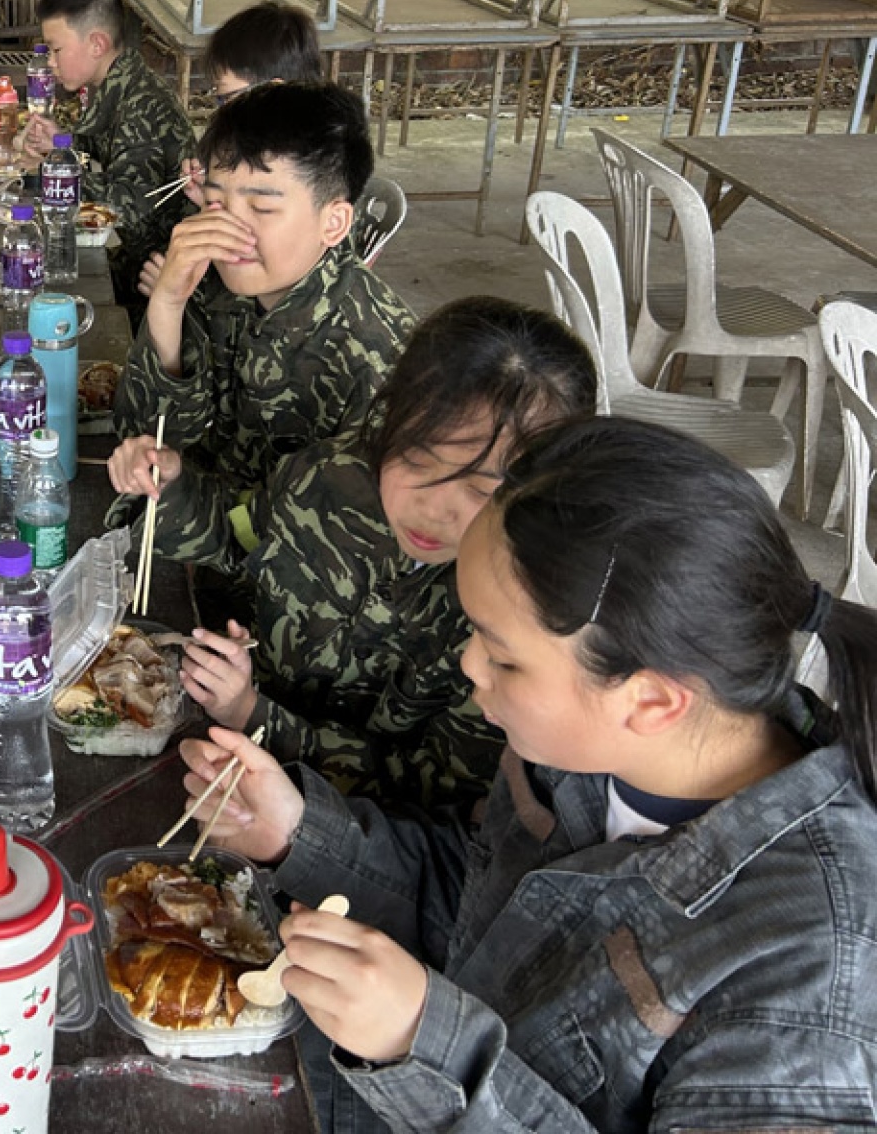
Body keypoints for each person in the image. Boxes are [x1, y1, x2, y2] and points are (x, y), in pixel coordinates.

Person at [182, 416, 877, 1130]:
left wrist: (428, 1045)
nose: (468, 665)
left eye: (503, 657)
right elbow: (479, 909)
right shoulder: (581, 757)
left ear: (652, 700)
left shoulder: (811, 975)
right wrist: (298, 832)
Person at [156, 298, 598, 807]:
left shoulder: (518, 625)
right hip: (222, 768)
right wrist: (170, 490)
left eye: (479, 489)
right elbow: (239, 541)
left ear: (539, 492)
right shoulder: (326, 481)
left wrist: (254, 715)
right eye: (416, 460)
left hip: (354, 831)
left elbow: (442, 789)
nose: (432, 509)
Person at [110, 80, 413, 623]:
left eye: (262, 208)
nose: (231, 230)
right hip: (199, 569)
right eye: (216, 202)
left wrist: (179, 490)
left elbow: (306, 560)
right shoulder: (217, 285)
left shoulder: (378, 359)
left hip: (281, 627)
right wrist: (167, 304)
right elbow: (142, 434)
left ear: (334, 223)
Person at [17, 0, 195, 308]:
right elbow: (106, 144)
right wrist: (62, 143)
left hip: (160, 280)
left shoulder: (142, 104)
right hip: (142, 260)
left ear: (97, 44)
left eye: (56, 50)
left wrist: (52, 176)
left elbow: (126, 206)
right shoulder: (124, 85)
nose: (50, 63)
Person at [141, 0, 325, 298]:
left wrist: (173, 295)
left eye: (226, 98)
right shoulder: (265, 152)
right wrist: (211, 198)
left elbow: (251, 293)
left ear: (271, 92)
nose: (221, 111)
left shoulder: (307, 171)